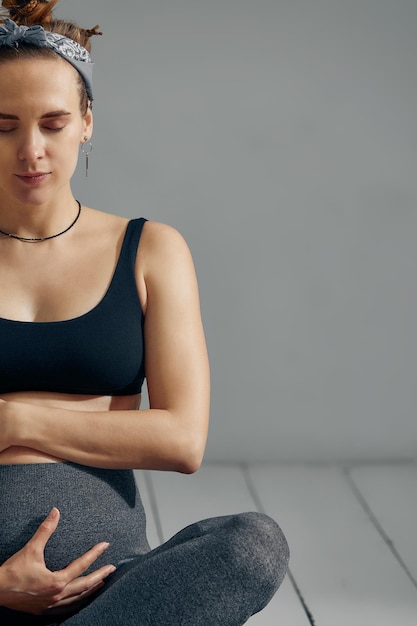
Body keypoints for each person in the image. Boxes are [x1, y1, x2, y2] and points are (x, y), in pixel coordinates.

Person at [0, 1, 289, 624]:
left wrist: (13, 418)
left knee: (252, 547)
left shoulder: (150, 250)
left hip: (115, 591)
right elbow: (150, 429)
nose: (31, 151)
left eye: (52, 123)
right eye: (2, 125)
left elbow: (182, 439)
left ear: (87, 122)